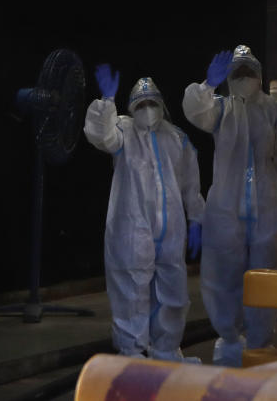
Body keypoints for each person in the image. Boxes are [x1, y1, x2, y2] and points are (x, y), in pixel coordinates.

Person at [183, 44, 277, 367]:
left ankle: (260, 344)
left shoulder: (275, 112)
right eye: (238, 73)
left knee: (266, 275)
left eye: (249, 72)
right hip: (226, 211)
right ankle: (230, 340)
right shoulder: (220, 109)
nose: (244, 78)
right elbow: (194, 111)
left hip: (267, 208)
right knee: (223, 277)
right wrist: (207, 85)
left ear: (259, 77)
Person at [84, 67, 204, 362]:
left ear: (162, 106)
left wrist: (197, 217)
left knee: (173, 290)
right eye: (141, 104)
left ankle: (166, 350)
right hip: (132, 225)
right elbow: (102, 135)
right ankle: (133, 352)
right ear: (131, 108)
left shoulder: (177, 138)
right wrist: (107, 100)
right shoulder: (123, 132)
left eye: (152, 103)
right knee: (132, 288)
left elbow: (190, 183)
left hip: (172, 227)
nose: (147, 109)